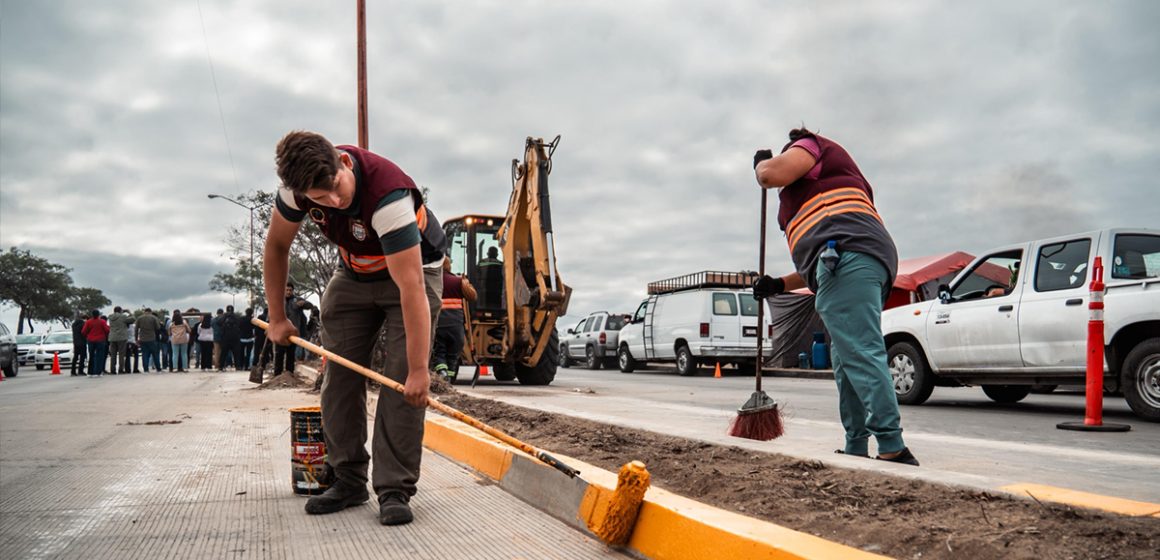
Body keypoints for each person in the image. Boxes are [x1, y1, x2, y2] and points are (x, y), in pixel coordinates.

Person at [264, 130, 445, 526]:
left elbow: (411, 287)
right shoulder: (296, 192)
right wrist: (277, 317)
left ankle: (394, 488)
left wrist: (418, 372)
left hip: (412, 276)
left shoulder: (388, 197)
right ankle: (348, 478)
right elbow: (277, 246)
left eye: (335, 189)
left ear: (344, 163)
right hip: (354, 274)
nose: (333, 202)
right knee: (339, 377)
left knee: (401, 385)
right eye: (319, 198)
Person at [751, 127, 918, 466]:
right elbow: (816, 258)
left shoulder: (810, 146)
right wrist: (779, 284)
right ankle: (856, 446)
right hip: (845, 262)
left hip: (846, 259)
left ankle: (892, 447)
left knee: (860, 352)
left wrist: (761, 165)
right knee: (846, 364)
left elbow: (769, 175)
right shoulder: (818, 191)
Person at [431, 256, 477, 380]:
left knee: (439, 351)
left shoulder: (433, 281)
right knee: (453, 354)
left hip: (439, 324)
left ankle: (442, 372)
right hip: (456, 324)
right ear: (449, 266)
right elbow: (473, 296)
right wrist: (465, 282)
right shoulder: (457, 281)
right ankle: (449, 380)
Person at [106, 306, 135, 374]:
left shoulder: (110, 317)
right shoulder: (123, 317)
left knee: (113, 355)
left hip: (112, 337)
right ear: (120, 311)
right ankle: (120, 369)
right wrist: (129, 312)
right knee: (121, 355)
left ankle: (112, 369)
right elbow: (133, 319)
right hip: (121, 337)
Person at [81, 310, 109, 377]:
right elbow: (107, 330)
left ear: (92, 314)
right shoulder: (102, 321)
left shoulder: (88, 322)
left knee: (91, 356)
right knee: (99, 356)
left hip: (91, 340)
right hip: (100, 340)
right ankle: (98, 372)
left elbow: (83, 331)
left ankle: (90, 372)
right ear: (98, 314)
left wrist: (88, 336)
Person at [136, 308, 162, 372]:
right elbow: (158, 327)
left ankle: (146, 369)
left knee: (144, 354)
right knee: (155, 354)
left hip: (143, 339)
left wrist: (136, 338)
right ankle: (158, 368)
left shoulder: (139, 318)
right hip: (152, 338)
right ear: (150, 311)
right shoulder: (154, 318)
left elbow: (136, 329)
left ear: (144, 312)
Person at [219, 305, 243, 371]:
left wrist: (226, 316)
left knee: (225, 353)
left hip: (227, 338)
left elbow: (219, 322)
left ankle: (221, 366)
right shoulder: (236, 317)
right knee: (235, 353)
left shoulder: (226, 317)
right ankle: (237, 366)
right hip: (233, 338)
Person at [70, 311, 87, 376]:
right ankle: (80, 370)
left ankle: (73, 371)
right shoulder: (83, 324)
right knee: (82, 357)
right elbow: (84, 332)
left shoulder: (74, 324)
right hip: (82, 342)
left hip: (76, 342)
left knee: (75, 357)